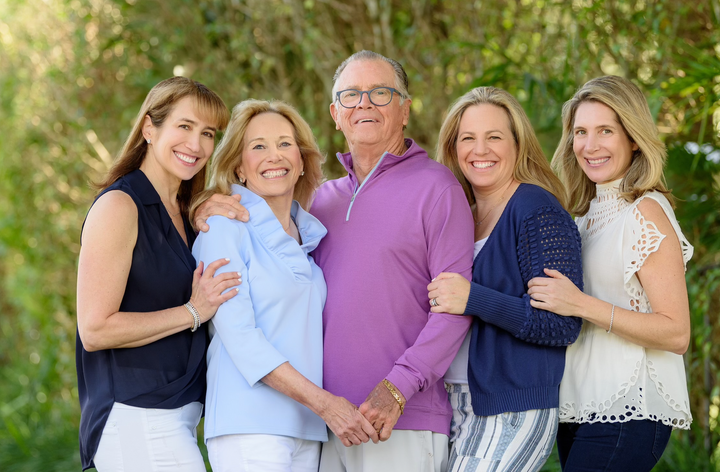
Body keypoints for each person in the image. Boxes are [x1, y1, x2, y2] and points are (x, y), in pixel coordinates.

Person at [194, 50, 475, 471]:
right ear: (335, 114)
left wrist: (396, 390)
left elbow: (454, 310)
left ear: (404, 110)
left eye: (380, 93)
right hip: (324, 425)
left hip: (401, 421)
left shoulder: (438, 188)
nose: (364, 103)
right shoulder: (319, 205)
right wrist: (203, 206)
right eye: (351, 95)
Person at [190, 99, 380, 471]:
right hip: (250, 426)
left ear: (301, 160)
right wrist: (326, 403)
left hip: (307, 429)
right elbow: (242, 339)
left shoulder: (307, 236)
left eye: (284, 144)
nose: (273, 156)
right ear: (239, 168)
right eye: (258, 146)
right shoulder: (222, 228)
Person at [527, 75, 693, 471]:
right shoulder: (581, 217)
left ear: (633, 138)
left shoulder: (645, 210)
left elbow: (677, 332)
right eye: (581, 132)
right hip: (581, 407)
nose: (590, 145)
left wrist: (580, 304)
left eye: (606, 131)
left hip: (630, 410)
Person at [75, 77, 240, 471]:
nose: (196, 145)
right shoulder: (120, 205)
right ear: (150, 128)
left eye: (207, 133)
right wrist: (193, 311)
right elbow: (95, 329)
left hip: (178, 415)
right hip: (134, 415)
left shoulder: (185, 213)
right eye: (184, 127)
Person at [430, 86, 584, 471]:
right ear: (453, 147)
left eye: (494, 137)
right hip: (453, 402)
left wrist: (473, 299)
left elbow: (560, 324)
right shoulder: (459, 215)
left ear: (518, 145)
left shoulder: (535, 209)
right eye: (468, 138)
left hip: (514, 405)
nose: (480, 150)